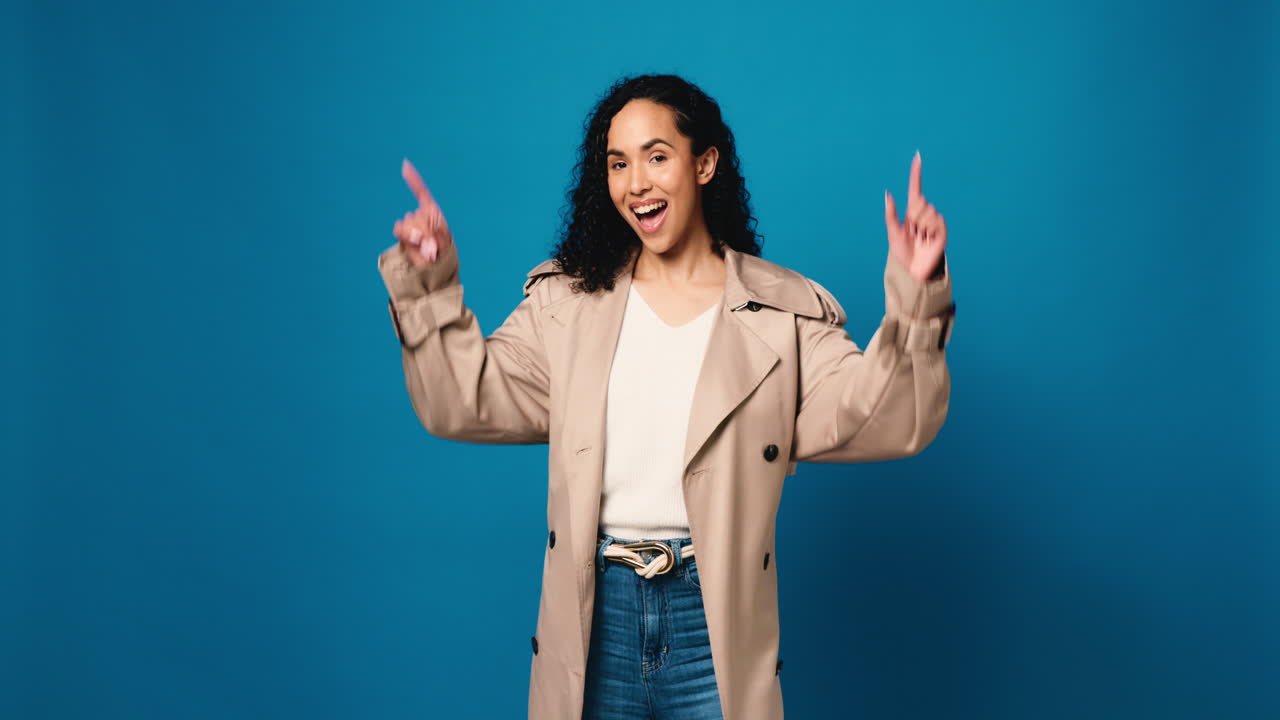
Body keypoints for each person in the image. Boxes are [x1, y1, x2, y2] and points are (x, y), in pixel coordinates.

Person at [377, 74, 955, 720]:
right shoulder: (567, 307)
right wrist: (429, 286)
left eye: (657, 157)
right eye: (618, 164)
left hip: (714, 619)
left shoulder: (780, 317)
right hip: (597, 617)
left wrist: (917, 294)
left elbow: (883, 417)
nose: (635, 184)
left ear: (704, 163)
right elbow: (464, 400)